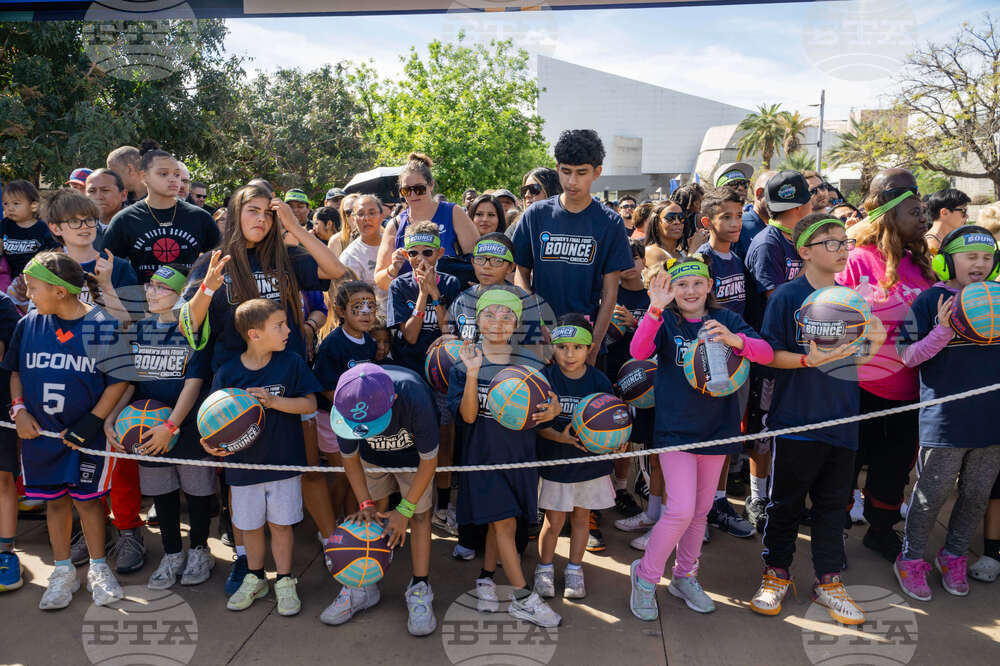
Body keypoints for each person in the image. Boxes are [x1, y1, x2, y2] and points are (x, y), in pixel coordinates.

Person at [750, 214, 886, 625]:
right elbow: (769, 355)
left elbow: (862, 355)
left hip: (843, 418)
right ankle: (776, 574)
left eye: (844, 241)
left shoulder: (851, 299)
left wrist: (873, 336)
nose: (843, 248)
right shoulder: (787, 297)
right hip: (797, 419)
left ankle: (828, 579)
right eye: (831, 242)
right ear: (804, 251)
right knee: (786, 503)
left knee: (832, 505)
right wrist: (811, 358)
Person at [628, 255, 772, 619]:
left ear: (710, 286)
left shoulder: (726, 319)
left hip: (718, 429)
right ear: (671, 290)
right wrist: (654, 310)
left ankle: (685, 576)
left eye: (697, 283)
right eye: (681, 285)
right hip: (676, 429)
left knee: (701, 512)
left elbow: (766, 352)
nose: (690, 291)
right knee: (678, 510)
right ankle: (645, 577)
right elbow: (638, 352)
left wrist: (735, 340)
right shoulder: (666, 321)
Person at [3, 252, 130, 609]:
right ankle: (62, 571)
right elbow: (14, 372)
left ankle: (99, 568)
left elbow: (119, 381)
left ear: (60, 291)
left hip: (85, 437)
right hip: (41, 436)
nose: (27, 294)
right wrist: (19, 409)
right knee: (54, 502)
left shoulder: (101, 324)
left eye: (33, 287)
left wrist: (92, 421)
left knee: (89, 502)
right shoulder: (28, 324)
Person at [893, 225, 1000, 600]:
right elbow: (906, 355)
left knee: (975, 495)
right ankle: (911, 559)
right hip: (946, 421)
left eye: (987, 257)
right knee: (931, 494)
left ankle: (953, 555)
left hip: (992, 421)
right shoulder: (929, 300)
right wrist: (942, 330)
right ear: (947, 259)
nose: (980, 265)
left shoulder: (999, 298)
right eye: (971, 256)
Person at [837, 170, 934, 561]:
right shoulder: (858, 260)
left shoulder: (923, 265)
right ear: (890, 212)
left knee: (893, 470)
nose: (923, 217)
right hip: (860, 389)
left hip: (911, 391)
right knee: (845, 469)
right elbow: (837, 319)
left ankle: (880, 530)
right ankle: (833, 538)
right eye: (915, 210)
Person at [449, 288, 561, 626]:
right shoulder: (465, 361)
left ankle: (486, 577)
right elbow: (468, 417)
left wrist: (553, 408)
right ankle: (524, 598)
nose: (497, 322)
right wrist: (472, 373)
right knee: (504, 523)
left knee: (506, 525)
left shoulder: (530, 361)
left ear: (516, 323)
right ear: (477, 320)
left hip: (520, 456)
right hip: (483, 458)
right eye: (490, 314)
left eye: (506, 315)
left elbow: (547, 405)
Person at [203, 298, 322, 616]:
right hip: (242, 467)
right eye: (279, 326)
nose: (287, 330)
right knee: (251, 527)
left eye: (286, 324)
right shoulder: (228, 371)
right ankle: (255, 578)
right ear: (254, 334)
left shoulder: (292, 362)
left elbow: (309, 404)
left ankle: (284, 580)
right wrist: (212, 445)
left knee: (281, 526)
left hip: (283, 463)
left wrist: (273, 402)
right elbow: (211, 421)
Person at [104, 264, 215, 589]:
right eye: (149, 285)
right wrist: (112, 417)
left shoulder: (192, 328)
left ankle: (199, 550)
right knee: (162, 493)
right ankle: (171, 553)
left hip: (186, 426)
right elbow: (130, 382)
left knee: (197, 494)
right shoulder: (140, 328)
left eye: (160, 288)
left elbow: (193, 383)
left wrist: (171, 424)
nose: (150, 292)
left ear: (182, 294)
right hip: (146, 428)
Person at [325, 363, 440, 635]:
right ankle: (362, 587)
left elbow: (429, 460)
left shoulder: (414, 396)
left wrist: (406, 508)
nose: (369, 430)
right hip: (372, 461)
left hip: (415, 462)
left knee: (421, 515)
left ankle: (420, 587)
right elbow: (350, 459)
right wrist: (364, 503)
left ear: (394, 400)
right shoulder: (345, 402)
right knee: (371, 513)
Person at [512, 129, 633, 365]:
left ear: (597, 172)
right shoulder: (536, 214)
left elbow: (610, 293)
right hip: (540, 341)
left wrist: (594, 346)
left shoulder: (610, 222)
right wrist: (534, 322)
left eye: (581, 173)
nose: (572, 181)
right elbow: (520, 273)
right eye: (566, 172)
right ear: (557, 169)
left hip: (585, 341)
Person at [534, 315, 623, 599]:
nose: (569, 354)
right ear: (553, 348)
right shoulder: (545, 379)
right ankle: (545, 568)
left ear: (590, 349)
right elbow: (536, 424)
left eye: (577, 347)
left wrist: (616, 441)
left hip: (589, 465)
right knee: (554, 521)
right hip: (557, 461)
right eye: (562, 347)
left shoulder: (600, 381)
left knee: (582, 519)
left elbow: (614, 422)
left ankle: (574, 569)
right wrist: (558, 436)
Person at [694, 187, 761, 539]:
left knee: (726, 435)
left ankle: (717, 502)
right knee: (705, 437)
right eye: (726, 217)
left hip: (738, 361)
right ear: (708, 222)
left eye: (739, 215)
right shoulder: (700, 260)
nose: (735, 223)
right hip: (709, 362)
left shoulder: (738, 258)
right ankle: (698, 510)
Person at [386, 221, 460, 533]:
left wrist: (437, 296)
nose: (420, 259)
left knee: (444, 443)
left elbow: (451, 333)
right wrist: (422, 294)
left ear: (440, 252)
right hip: (410, 377)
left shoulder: (453, 283)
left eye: (427, 252)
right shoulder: (398, 286)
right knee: (411, 444)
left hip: (442, 379)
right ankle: (410, 504)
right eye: (413, 253)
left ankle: (443, 506)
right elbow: (411, 337)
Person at [101, 141, 220, 283]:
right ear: (144, 177)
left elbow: (220, 261)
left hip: (189, 302)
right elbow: (107, 267)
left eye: (177, 175)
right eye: (163, 174)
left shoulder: (200, 217)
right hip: (142, 302)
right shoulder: (125, 219)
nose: (173, 180)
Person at [312, 281, 378, 523]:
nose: (366, 312)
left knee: (357, 475)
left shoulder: (370, 342)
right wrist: (353, 407)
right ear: (340, 311)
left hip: (358, 418)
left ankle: (353, 521)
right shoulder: (333, 344)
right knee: (342, 474)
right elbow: (328, 387)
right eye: (358, 306)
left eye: (371, 306)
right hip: (332, 418)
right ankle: (329, 524)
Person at [373, 153, 479, 290]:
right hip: (411, 305)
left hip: (448, 302)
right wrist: (393, 269)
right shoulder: (395, 225)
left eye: (419, 189)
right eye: (406, 190)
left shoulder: (452, 212)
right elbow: (380, 281)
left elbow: (478, 260)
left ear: (431, 185)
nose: (413, 195)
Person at [45, 189, 136, 320]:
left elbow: (129, 325)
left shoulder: (120, 267)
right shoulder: (48, 269)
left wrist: (107, 286)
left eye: (89, 219)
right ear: (56, 228)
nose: (84, 226)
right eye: (74, 221)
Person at [0, 290, 23, 593]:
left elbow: (5, 354)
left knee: (3, 479)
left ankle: (5, 553)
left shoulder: (2, 304)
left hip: (1, 401)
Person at [339, 195, 388, 317]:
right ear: (354, 219)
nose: (366, 218)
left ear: (382, 216)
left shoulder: (393, 245)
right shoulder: (349, 257)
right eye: (360, 214)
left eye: (372, 213)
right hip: (373, 324)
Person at [2, 180, 59, 279]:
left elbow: (57, 251)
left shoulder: (42, 227)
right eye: (6, 204)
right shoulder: (5, 225)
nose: (10, 208)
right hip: (11, 277)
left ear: (33, 206)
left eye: (16, 203)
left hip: (39, 276)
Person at [734, 169, 776, 260]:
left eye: (744, 184)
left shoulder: (782, 226)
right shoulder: (739, 225)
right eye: (775, 193)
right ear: (759, 193)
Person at [85, 168, 129, 242]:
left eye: (105, 190)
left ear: (123, 195)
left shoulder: (138, 224)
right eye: (92, 191)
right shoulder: (81, 228)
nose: (98, 197)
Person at [924, 188, 971, 255]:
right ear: (944, 212)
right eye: (963, 211)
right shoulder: (931, 244)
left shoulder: (946, 239)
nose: (966, 216)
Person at [644, 201, 686, 266]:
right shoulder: (651, 252)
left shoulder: (682, 253)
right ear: (656, 222)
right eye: (670, 218)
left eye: (681, 217)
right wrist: (692, 252)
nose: (677, 222)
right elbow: (683, 275)